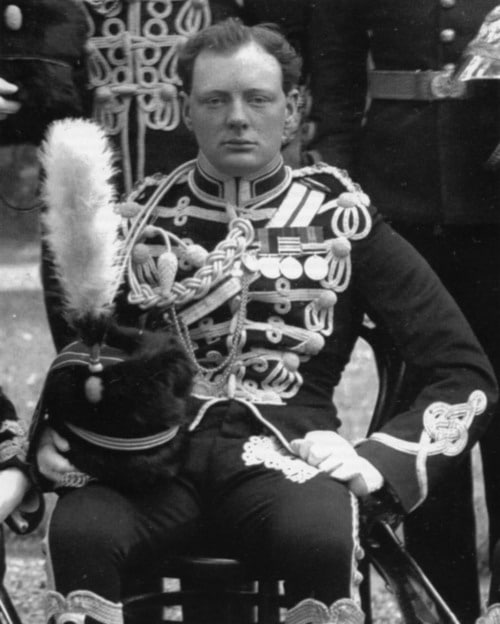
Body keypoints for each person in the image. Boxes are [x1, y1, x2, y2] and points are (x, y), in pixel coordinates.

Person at [30, 18, 498, 624]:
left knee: (320, 535)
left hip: (288, 458)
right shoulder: (136, 219)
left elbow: (464, 372)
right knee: (81, 530)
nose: (238, 117)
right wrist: (53, 433)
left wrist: (376, 462)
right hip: (153, 465)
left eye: (258, 98)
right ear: (183, 109)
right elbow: (84, 359)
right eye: (215, 100)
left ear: (292, 107)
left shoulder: (342, 222)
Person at [305, 1, 500, 621]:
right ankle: (444, 607)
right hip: (400, 193)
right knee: (426, 406)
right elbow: (335, 73)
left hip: (493, 189)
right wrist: (336, 182)